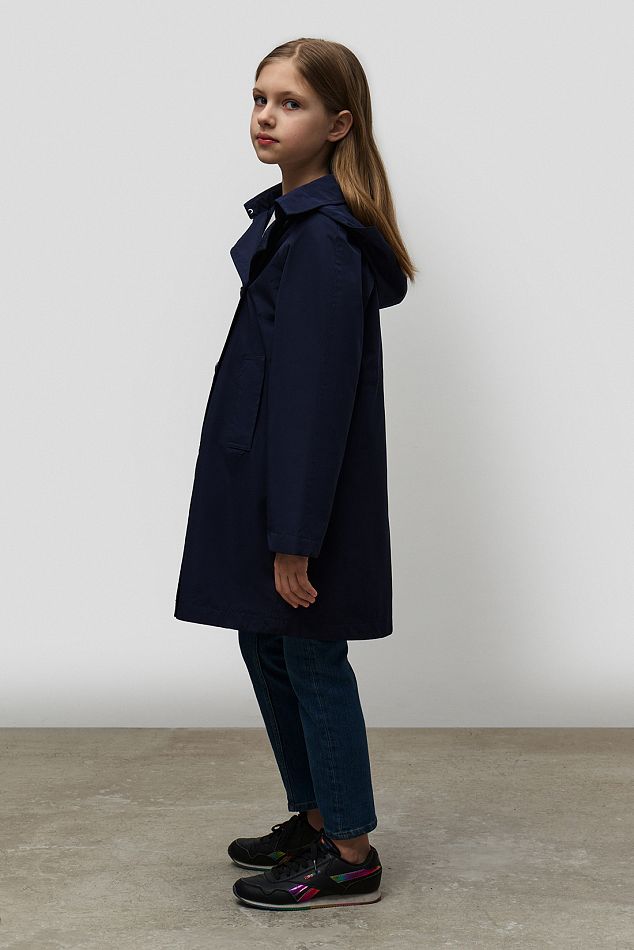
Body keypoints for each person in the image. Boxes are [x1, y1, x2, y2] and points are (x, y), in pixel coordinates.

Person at [174, 37, 416, 911]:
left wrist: (294, 538)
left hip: (299, 500)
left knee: (311, 654)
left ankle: (349, 852)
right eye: (260, 98)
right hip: (267, 485)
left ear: (339, 124)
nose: (266, 117)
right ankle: (317, 818)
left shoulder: (322, 244)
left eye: (291, 103)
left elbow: (314, 404)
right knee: (267, 639)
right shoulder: (294, 225)